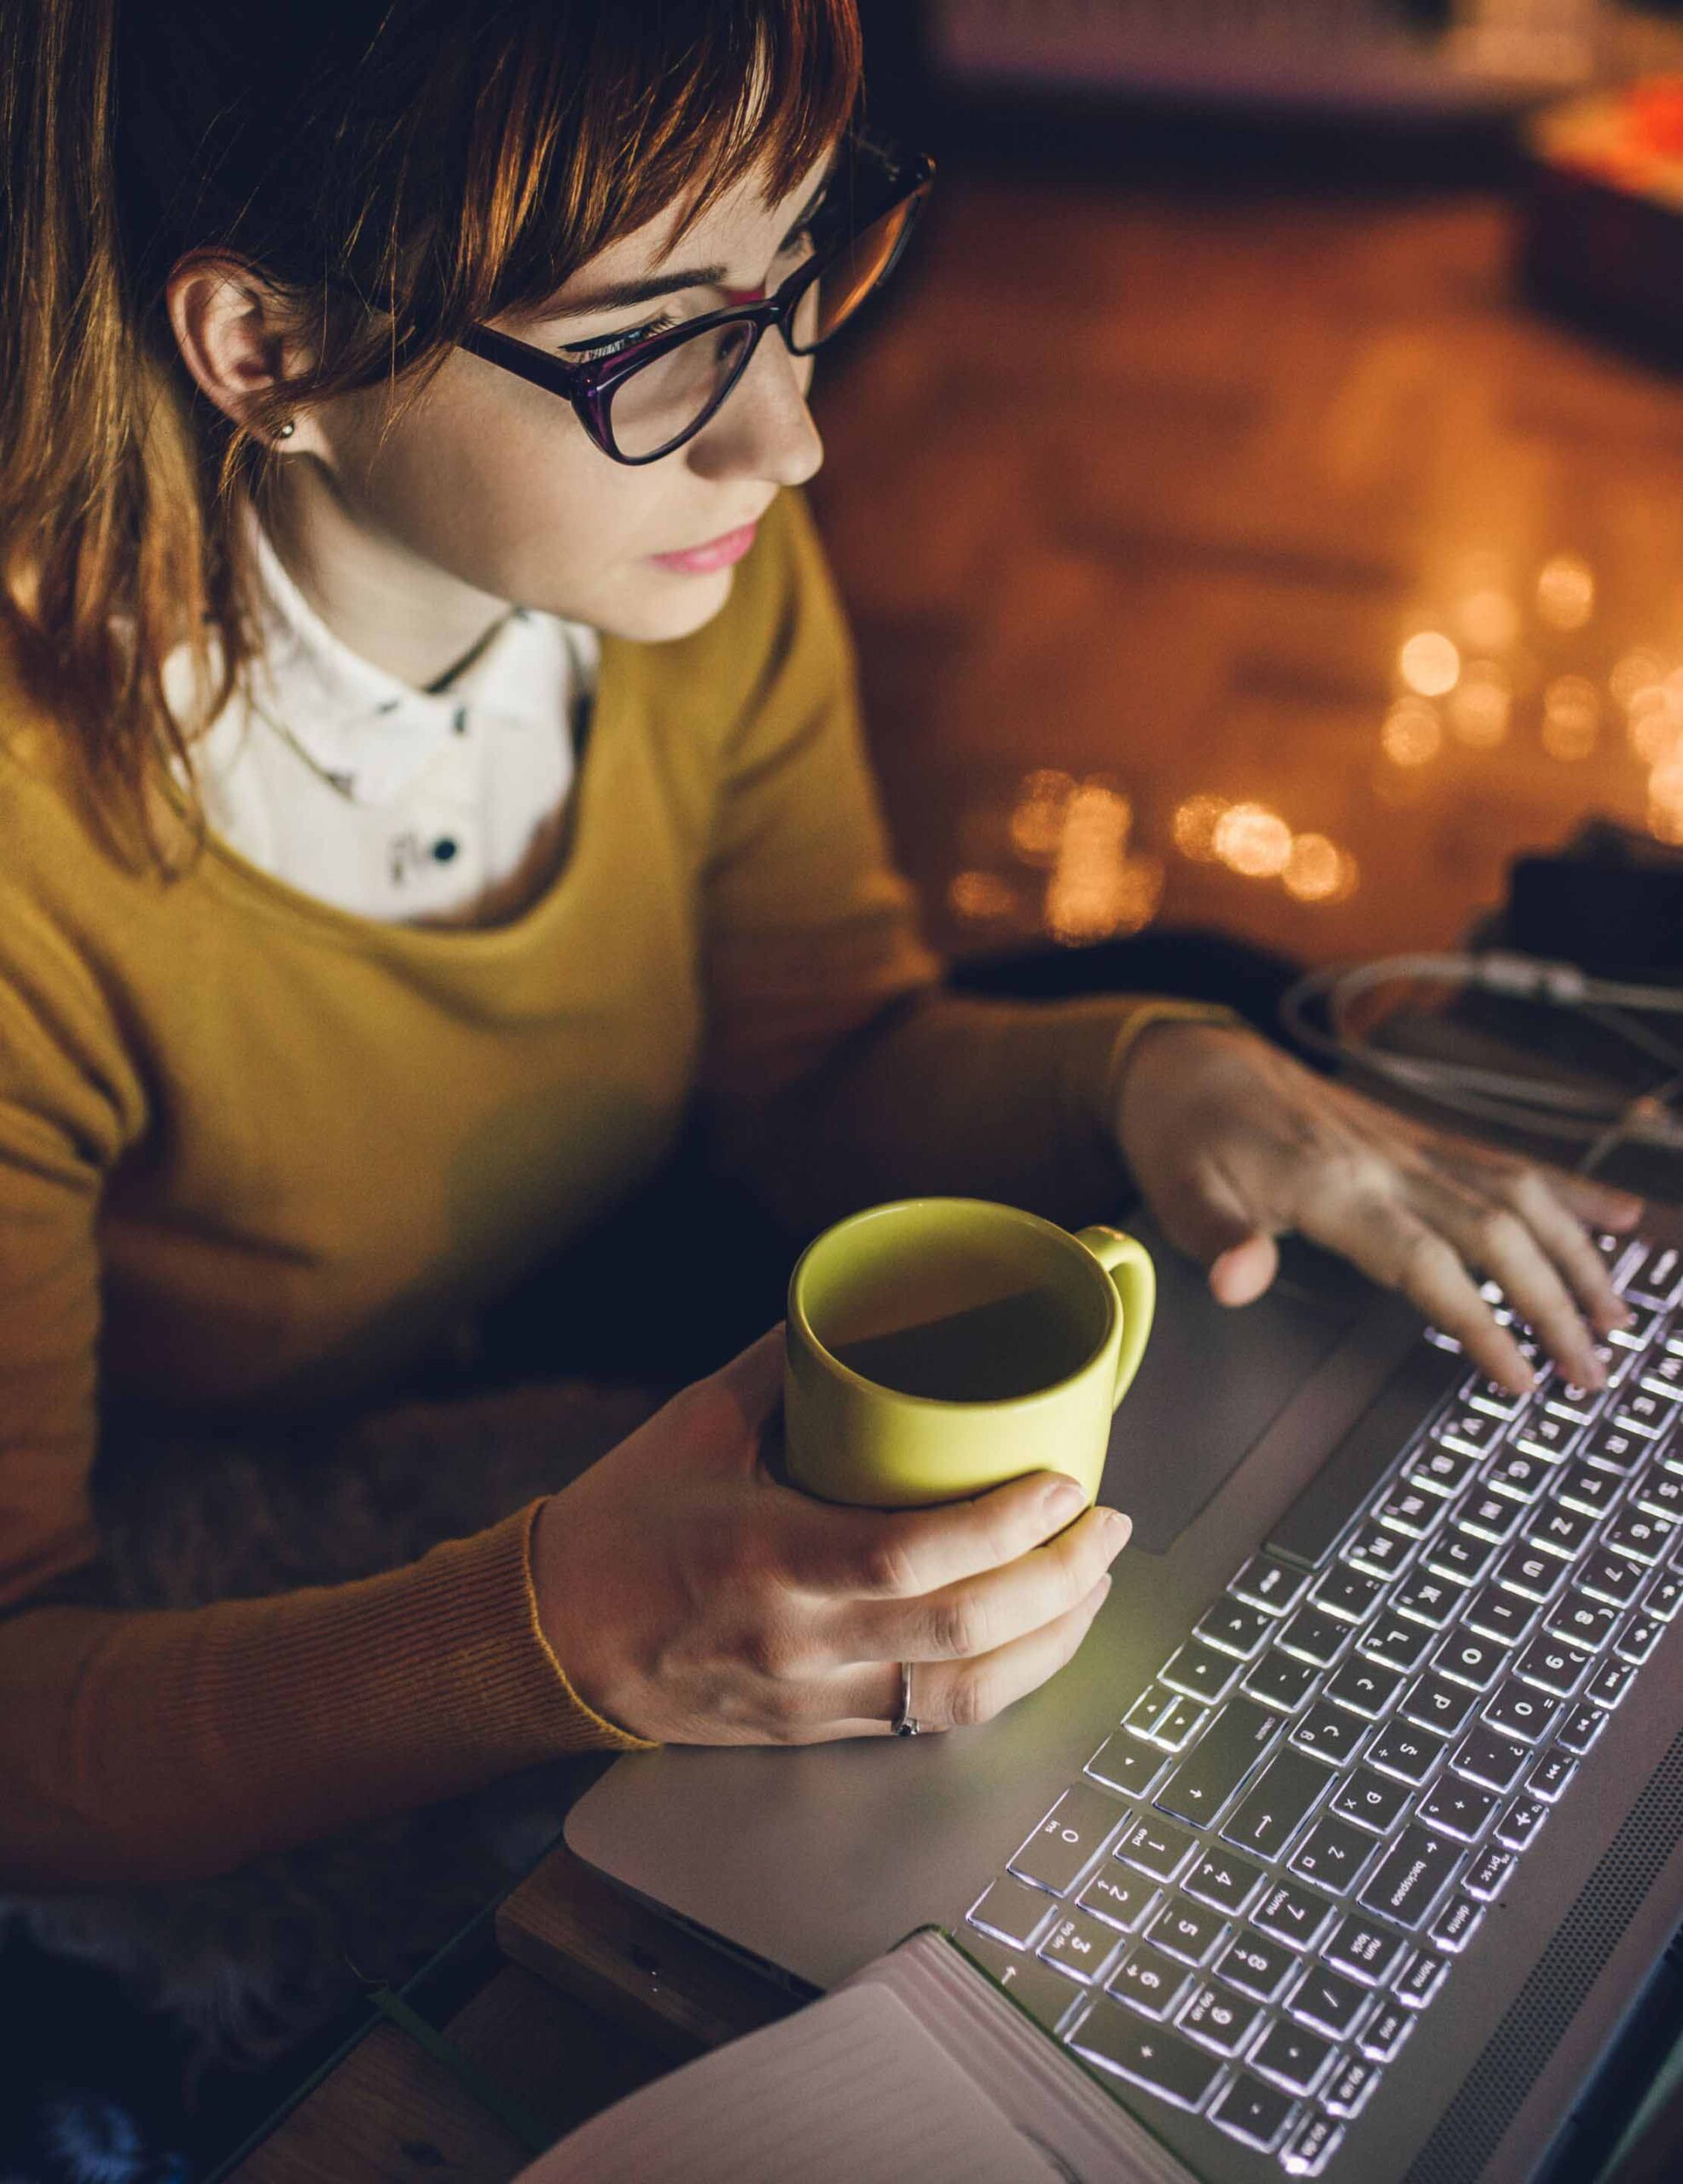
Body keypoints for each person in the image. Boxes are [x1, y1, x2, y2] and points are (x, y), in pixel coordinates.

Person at [0, 0, 1642, 2116]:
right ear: (267, 352)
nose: (791, 436)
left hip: (552, 1335)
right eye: (652, 344)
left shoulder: (674, 563)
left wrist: (1155, 1073)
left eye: (795, 277)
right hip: (201, 1579)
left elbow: (815, 1061)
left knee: (1216, 990)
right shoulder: (41, 855)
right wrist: (561, 1640)